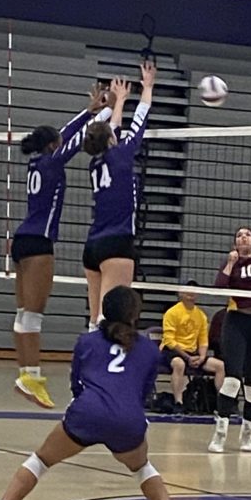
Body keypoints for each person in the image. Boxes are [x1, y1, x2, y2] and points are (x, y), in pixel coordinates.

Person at [0, 286, 201, 500]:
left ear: (105, 311)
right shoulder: (149, 350)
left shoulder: (87, 341)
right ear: (135, 315)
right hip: (128, 418)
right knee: (143, 469)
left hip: (87, 412)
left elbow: (76, 382)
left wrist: (85, 409)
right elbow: (144, 390)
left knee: (40, 461)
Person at [12, 84, 113, 409]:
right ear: (53, 145)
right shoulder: (54, 162)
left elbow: (66, 133)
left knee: (23, 314)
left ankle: (27, 375)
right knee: (34, 316)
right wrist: (108, 111)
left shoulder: (37, 163)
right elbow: (77, 139)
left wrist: (90, 109)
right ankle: (30, 377)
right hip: (39, 243)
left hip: (22, 240)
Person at [82, 61, 157, 331]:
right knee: (110, 319)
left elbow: (113, 128)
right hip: (117, 244)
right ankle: (102, 372)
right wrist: (147, 87)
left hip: (93, 246)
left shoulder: (96, 162)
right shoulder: (122, 156)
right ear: (112, 140)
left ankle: (84, 370)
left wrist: (120, 101)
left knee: (95, 321)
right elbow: (141, 119)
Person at [208, 193, 251, 454]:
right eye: (238, 236)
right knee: (232, 379)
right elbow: (219, 288)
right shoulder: (233, 265)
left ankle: (247, 431)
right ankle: (221, 431)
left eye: (246, 235)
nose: (242, 238)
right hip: (236, 322)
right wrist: (229, 263)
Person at [160, 280, 225, 414]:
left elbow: (203, 340)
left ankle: (222, 404)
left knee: (220, 366)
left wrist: (201, 357)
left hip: (193, 353)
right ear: (180, 293)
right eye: (187, 290)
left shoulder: (200, 315)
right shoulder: (172, 313)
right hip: (173, 351)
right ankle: (178, 402)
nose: (191, 293)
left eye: (194, 290)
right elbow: (169, 340)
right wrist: (187, 357)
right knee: (179, 364)